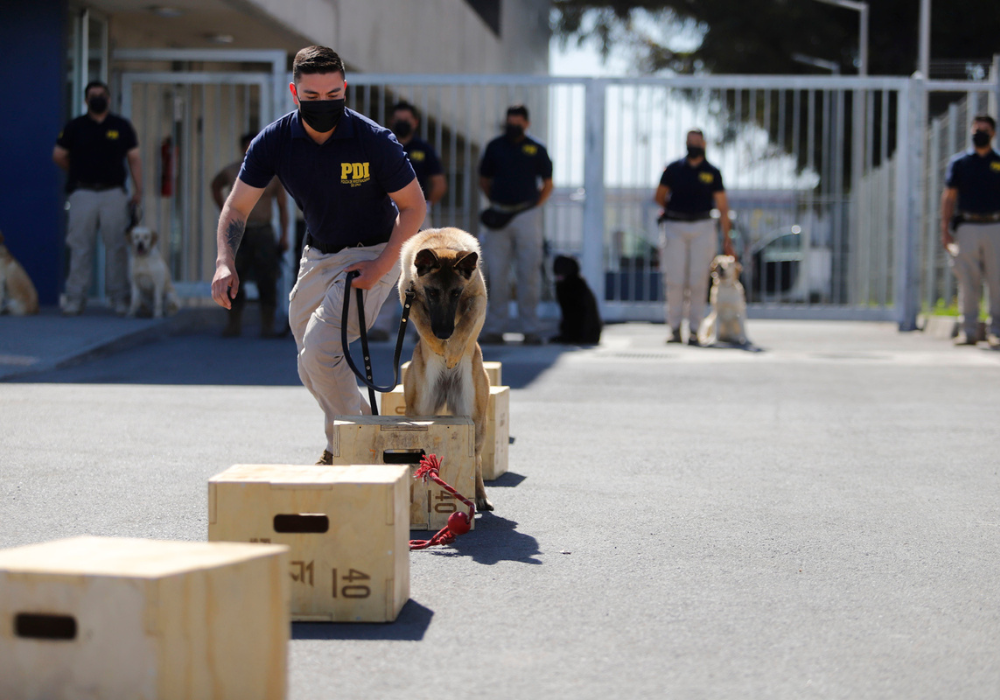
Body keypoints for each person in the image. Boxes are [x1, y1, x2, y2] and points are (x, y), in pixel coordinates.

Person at [211, 46, 424, 464]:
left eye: (332, 95)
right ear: (295, 92)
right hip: (319, 254)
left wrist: (381, 267)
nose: (323, 104)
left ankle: (355, 445)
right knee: (309, 362)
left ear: (344, 89)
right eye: (312, 97)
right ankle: (351, 439)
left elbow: (414, 208)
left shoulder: (374, 141)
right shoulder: (274, 141)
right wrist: (224, 260)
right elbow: (236, 207)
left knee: (322, 351)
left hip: (374, 253)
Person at [53, 80, 143, 316]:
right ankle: (75, 299)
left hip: (113, 193)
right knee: (79, 247)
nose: (97, 98)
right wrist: (77, 171)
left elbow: (134, 158)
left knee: (117, 248)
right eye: (93, 95)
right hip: (82, 193)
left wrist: (138, 189)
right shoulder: (75, 126)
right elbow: (59, 155)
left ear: (109, 98)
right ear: (85, 100)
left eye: (101, 94)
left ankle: (120, 299)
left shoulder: (121, 126)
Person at [366, 101, 448, 341]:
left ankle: (418, 327)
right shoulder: (383, 145)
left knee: (421, 270)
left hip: (418, 216)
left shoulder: (424, 149)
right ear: (392, 121)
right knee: (386, 263)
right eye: (398, 118)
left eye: (407, 118)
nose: (402, 122)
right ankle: (380, 326)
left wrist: (426, 206)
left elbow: (439, 183)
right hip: (385, 216)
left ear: (415, 122)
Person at [477, 105, 554, 345]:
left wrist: (532, 206)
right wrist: (497, 202)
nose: (513, 126)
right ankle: (495, 329)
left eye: (518, 122)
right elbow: (484, 179)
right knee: (496, 273)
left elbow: (548, 183)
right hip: (499, 215)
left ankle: (530, 328)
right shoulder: (495, 146)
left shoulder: (537, 148)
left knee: (528, 272)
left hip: (527, 216)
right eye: (510, 122)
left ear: (527, 124)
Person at [654, 129, 734, 346]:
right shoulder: (673, 169)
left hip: (703, 226)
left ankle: (694, 330)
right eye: (690, 142)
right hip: (674, 226)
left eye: (697, 142)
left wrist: (727, 238)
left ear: (705, 144)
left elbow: (723, 206)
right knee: (675, 279)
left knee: (698, 280)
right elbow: (659, 196)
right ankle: (674, 328)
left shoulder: (712, 172)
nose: (694, 145)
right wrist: (675, 210)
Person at [211, 132, 289, 337]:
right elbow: (215, 185)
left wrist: (284, 236)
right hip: (239, 231)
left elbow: (282, 207)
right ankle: (233, 324)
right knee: (233, 276)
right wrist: (224, 210)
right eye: (246, 146)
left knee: (267, 279)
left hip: (263, 231)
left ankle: (267, 326)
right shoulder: (233, 171)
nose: (249, 150)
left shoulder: (272, 174)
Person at [940, 114, 1000, 347]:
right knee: (967, 280)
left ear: (993, 133)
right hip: (966, 227)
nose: (979, 133)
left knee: (997, 281)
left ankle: (997, 331)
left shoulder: (998, 162)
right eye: (976, 129)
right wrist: (945, 228)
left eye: (984, 129)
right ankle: (969, 331)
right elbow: (949, 196)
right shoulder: (960, 163)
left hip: (995, 226)